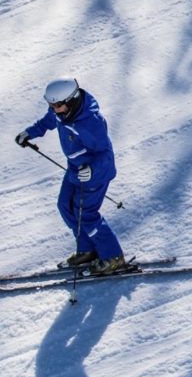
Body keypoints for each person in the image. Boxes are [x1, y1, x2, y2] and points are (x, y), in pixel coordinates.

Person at [15, 78, 126, 274]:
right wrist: (28, 133)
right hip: (75, 169)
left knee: (87, 214)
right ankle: (87, 249)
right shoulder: (62, 112)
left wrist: (91, 170)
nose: (53, 109)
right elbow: (47, 122)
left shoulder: (90, 122)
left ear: (72, 100)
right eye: (51, 104)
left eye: (57, 105)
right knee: (65, 206)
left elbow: (105, 154)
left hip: (95, 174)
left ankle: (113, 256)